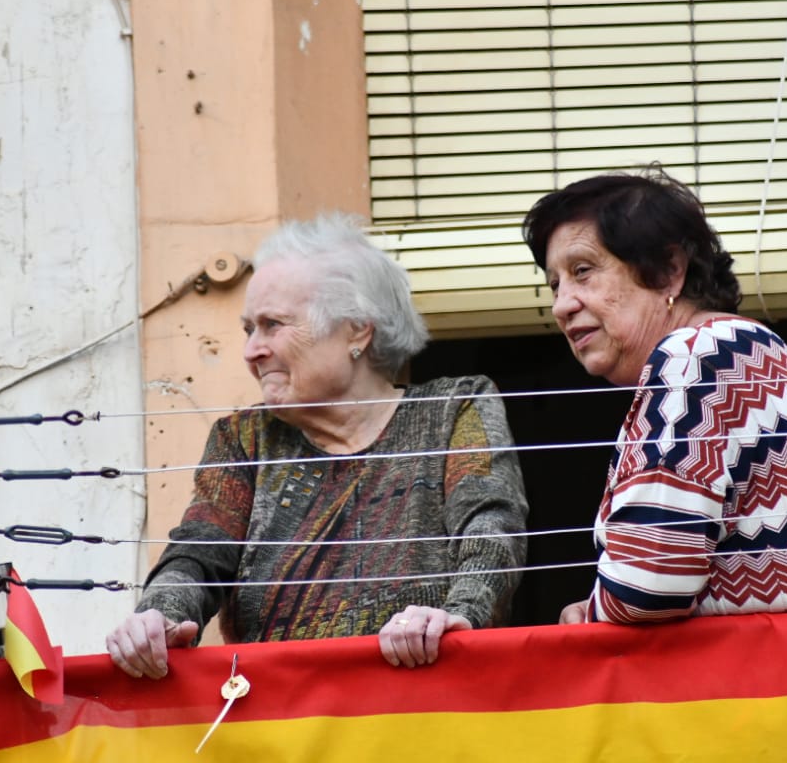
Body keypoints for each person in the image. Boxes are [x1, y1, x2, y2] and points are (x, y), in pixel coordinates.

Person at [106, 213, 528, 675]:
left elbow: (490, 529)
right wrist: (158, 615)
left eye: (273, 325)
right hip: (282, 721)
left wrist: (458, 614)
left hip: (424, 706)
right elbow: (199, 553)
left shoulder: (452, 407)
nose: (252, 350)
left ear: (357, 330)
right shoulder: (244, 438)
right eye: (249, 329)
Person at [522, 170, 787, 625]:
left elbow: (650, 583)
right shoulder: (743, 350)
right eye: (555, 284)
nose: (561, 305)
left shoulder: (695, 357)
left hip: (765, 689)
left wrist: (591, 614)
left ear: (670, 269)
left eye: (582, 271)